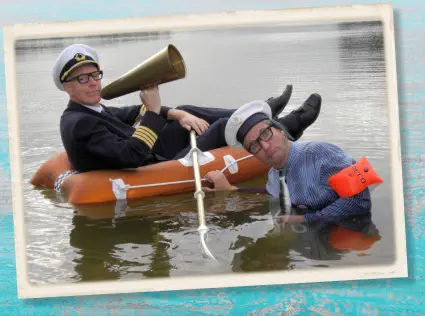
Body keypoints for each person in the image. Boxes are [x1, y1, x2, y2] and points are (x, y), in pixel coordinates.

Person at [53, 44, 321, 173]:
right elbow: (130, 156)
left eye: (95, 75)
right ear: (67, 87)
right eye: (82, 79)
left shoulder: (90, 110)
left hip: (153, 153)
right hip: (155, 165)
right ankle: (291, 125)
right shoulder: (79, 123)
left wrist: (175, 113)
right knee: (217, 128)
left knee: (185, 108)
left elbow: (133, 112)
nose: (93, 83)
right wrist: (155, 111)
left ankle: (261, 113)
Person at [203, 99, 373, 225]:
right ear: (252, 154)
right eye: (254, 146)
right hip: (309, 246)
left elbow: (360, 198)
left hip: (347, 238)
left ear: (280, 130)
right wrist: (233, 189)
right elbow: (272, 193)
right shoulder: (274, 175)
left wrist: (305, 219)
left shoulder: (320, 153)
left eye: (265, 134)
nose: (265, 146)